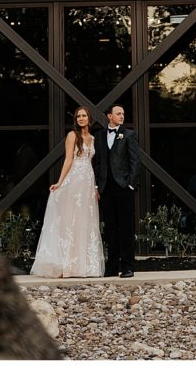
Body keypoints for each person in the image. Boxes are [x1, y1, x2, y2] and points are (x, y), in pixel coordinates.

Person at [30, 106, 104, 278]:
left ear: (89, 118)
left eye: (84, 116)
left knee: (85, 221)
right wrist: (60, 182)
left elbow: (93, 164)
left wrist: (95, 187)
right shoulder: (72, 136)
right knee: (70, 220)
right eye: (78, 116)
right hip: (75, 180)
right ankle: (66, 265)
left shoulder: (93, 138)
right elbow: (68, 159)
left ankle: (84, 266)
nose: (81, 118)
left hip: (88, 181)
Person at [93, 103, 141, 278]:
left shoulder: (129, 134)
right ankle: (112, 266)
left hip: (123, 187)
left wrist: (130, 184)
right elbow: (98, 162)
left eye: (123, 113)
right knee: (110, 228)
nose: (122, 116)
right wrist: (97, 185)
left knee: (126, 227)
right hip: (105, 188)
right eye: (118, 113)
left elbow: (135, 161)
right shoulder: (99, 136)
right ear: (109, 116)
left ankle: (128, 266)